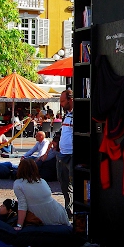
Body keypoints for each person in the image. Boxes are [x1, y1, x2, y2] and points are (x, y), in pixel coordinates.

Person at [13, 159, 70, 228]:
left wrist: (19, 225)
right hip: (58, 212)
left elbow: (22, 205)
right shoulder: (42, 181)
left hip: (40, 215)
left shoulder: (18, 184)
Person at [57, 89, 73, 219]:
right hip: (62, 153)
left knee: (73, 183)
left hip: (72, 154)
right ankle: (69, 211)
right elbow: (63, 131)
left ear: (70, 100)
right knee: (64, 183)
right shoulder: (66, 114)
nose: (61, 104)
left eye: (63, 101)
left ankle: (74, 211)